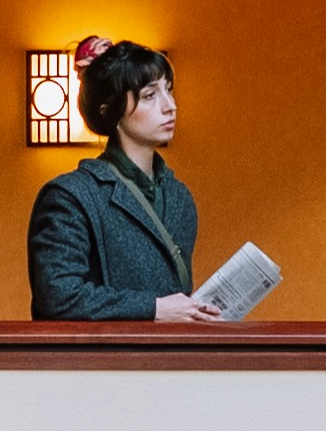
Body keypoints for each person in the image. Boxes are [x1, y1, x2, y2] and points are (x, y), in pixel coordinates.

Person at [29, 35, 230, 322]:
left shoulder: (179, 196)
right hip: (102, 364)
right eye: (150, 95)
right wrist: (155, 308)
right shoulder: (70, 196)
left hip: (171, 363)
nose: (170, 106)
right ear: (109, 110)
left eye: (169, 91)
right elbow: (58, 296)